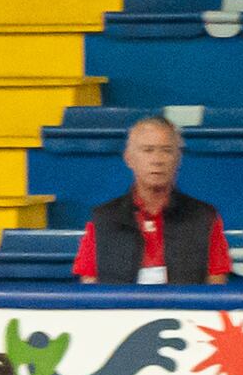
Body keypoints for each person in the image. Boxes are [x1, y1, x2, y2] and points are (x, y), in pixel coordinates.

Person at [72, 114, 229, 285]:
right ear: (129, 158)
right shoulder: (103, 219)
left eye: (167, 150)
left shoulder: (204, 217)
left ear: (178, 159)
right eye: (148, 150)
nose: (157, 160)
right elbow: (89, 289)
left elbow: (216, 287)